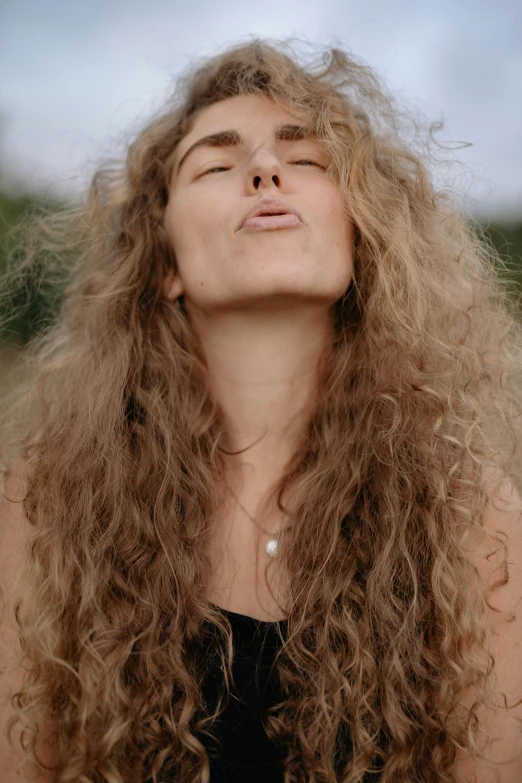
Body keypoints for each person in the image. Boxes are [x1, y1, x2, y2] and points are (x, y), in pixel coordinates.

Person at [0, 36, 521, 783]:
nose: (265, 170)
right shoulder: (48, 497)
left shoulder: (471, 513)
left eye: (304, 160)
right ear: (167, 263)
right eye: (216, 163)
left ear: (360, 237)